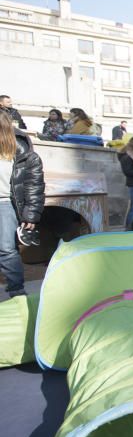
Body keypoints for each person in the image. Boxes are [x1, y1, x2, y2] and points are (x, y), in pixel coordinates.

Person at [0, 112, 43, 298]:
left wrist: (30, 215)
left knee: (6, 249)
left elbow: (34, 186)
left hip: (5, 204)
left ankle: (16, 291)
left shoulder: (23, 153)